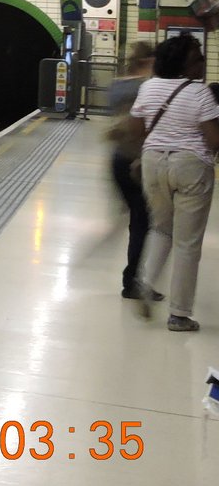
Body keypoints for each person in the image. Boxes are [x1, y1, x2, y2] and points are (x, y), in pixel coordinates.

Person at [128, 32, 219, 331]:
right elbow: (213, 139)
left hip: (153, 163)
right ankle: (179, 314)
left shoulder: (149, 88)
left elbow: (136, 128)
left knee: (161, 228)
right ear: (183, 64)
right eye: (197, 58)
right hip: (191, 167)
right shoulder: (200, 93)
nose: (203, 64)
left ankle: (145, 282)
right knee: (187, 242)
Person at [106, 41, 155, 299]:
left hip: (117, 159)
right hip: (139, 162)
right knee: (142, 222)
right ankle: (132, 280)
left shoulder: (117, 85)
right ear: (148, 61)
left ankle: (135, 278)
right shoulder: (145, 87)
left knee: (138, 219)